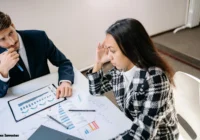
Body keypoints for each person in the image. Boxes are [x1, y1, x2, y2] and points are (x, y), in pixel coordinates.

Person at [87, 19, 179, 139]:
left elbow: (141, 135)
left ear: (131, 49)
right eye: (107, 50)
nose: (109, 56)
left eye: (113, 51)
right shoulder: (120, 70)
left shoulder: (155, 79)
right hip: (132, 126)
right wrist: (98, 62)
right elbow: (96, 89)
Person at [0, 11, 74, 98]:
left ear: (13, 26)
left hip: (48, 93)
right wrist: (3, 71)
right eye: (2, 39)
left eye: (11, 33)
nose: (11, 42)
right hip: (19, 99)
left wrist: (65, 82)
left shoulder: (39, 37)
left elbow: (64, 63)